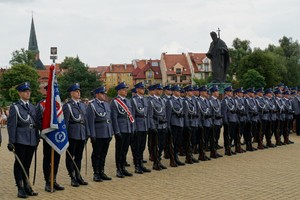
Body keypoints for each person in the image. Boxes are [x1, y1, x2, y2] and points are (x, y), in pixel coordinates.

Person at [7, 82, 39, 198]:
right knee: (19, 164)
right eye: (25, 91)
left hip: (31, 139)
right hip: (20, 139)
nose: (28, 93)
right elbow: (12, 125)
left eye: (29, 91)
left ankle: (27, 186)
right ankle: (20, 188)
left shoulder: (32, 107)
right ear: (20, 93)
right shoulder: (15, 107)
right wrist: (11, 141)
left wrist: (37, 138)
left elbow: (36, 123)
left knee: (27, 164)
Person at [36, 85, 64, 192]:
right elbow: (38, 121)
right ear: (47, 92)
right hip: (48, 136)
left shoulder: (59, 104)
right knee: (47, 159)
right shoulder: (42, 104)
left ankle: (54, 179)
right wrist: (44, 133)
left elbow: (62, 121)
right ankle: (47, 182)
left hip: (58, 137)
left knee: (56, 159)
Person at [63, 83, 89, 187]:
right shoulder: (67, 106)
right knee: (70, 157)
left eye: (79, 91)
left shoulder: (82, 105)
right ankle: (72, 177)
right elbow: (66, 123)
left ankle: (78, 175)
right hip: (72, 134)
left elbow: (85, 120)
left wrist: (87, 133)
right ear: (71, 93)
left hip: (82, 133)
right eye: (76, 91)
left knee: (79, 157)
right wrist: (66, 137)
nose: (79, 93)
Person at [86, 86, 113, 182]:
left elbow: (109, 119)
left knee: (103, 154)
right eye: (102, 93)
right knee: (97, 154)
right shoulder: (92, 105)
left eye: (104, 93)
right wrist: (92, 135)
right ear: (97, 95)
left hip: (107, 132)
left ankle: (102, 171)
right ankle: (96, 173)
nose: (104, 95)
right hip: (98, 133)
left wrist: (111, 132)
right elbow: (90, 121)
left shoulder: (106, 105)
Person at [111, 82, 134, 178]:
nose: (126, 91)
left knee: (125, 150)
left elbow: (130, 116)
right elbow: (114, 118)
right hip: (120, 129)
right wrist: (117, 131)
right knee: (119, 150)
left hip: (128, 128)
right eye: (124, 89)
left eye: (126, 89)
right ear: (119, 91)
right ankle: (118, 169)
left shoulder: (128, 101)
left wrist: (132, 128)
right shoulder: (115, 102)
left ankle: (123, 167)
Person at [131, 82, 151, 174]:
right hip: (138, 126)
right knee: (137, 147)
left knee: (142, 146)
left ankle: (141, 164)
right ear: (137, 89)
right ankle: (137, 166)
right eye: (141, 88)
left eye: (144, 88)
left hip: (144, 125)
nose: (143, 89)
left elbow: (147, 114)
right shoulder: (133, 100)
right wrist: (134, 127)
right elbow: (133, 116)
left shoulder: (145, 99)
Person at [148, 84, 169, 169]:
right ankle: (155, 162)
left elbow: (164, 114)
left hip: (163, 125)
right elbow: (150, 116)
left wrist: (166, 125)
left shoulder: (162, 101)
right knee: (155, 145)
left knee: (161, 144)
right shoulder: (151, 101)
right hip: (156, 126)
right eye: (158, 89)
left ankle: (159, 160)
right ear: (155, 90)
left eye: (161, 90)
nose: (160, 91)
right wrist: (153, 127)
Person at [166, 85, 185, 166]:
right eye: (177, 91)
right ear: (173, 92)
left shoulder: (181, 100)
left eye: (179, 91)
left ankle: (176, 157)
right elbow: (168, 115)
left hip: (180, 123)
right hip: (173, 124)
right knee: (172, 142)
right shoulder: (170, 101)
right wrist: (168, 126)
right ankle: (172, 158)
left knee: (178, 142)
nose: (179, 92)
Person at [183, 85, 200, 164]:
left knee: (193, 141)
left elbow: (196, 113)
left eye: (192, 91)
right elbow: (185, 115)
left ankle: (191, 155)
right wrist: (187, 125)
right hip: (189, 124)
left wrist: (197, 123)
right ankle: (188, 156)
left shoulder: (193, 101)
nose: (192, 92)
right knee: (188, 141)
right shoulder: (185, 101)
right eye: (190, 91)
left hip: (194, 123)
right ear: (186, 92)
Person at [221, 86, 237, 156]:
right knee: (227, 135)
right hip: (228, 120)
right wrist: (225, 121)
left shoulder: (232, 100)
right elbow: (224, 112)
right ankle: (227, 149)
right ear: (226, 92)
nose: (231, 92)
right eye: (230, 91)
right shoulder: (225, 101)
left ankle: (229, 147)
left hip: (233, 119)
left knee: (232, 135)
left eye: (231, 91)